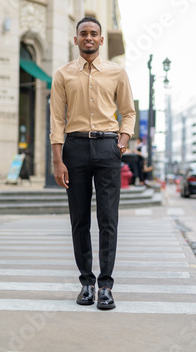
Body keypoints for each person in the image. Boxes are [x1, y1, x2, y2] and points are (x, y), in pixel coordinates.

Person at [50, 17, 135, 310]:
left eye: (93, 34)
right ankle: (86, 283)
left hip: (107, 146)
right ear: (76, 40)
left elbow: (128, 111)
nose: (88, 37)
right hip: (74, 149)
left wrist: (122, 141)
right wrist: (57, 159)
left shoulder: (117, 72)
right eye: (83, 33)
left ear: (101, 40)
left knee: (108, 220)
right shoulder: (62, 74)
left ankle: (106, 286)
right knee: (79, 220)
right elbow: (57, 120)